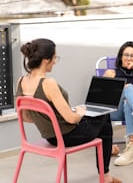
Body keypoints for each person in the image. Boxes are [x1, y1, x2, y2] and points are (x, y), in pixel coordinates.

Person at [16, 38, 121, 183]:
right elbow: (71, 120)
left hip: (51, 136)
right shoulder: (48, 83)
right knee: (104, 115)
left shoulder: (21, 81)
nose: (54, 61)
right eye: (54, 58)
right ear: (46, 60)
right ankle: (106, 175)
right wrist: (79, 112)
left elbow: (25, 117)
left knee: (95, 119)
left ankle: (110, 157)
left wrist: (49, 117)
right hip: (68, 137)